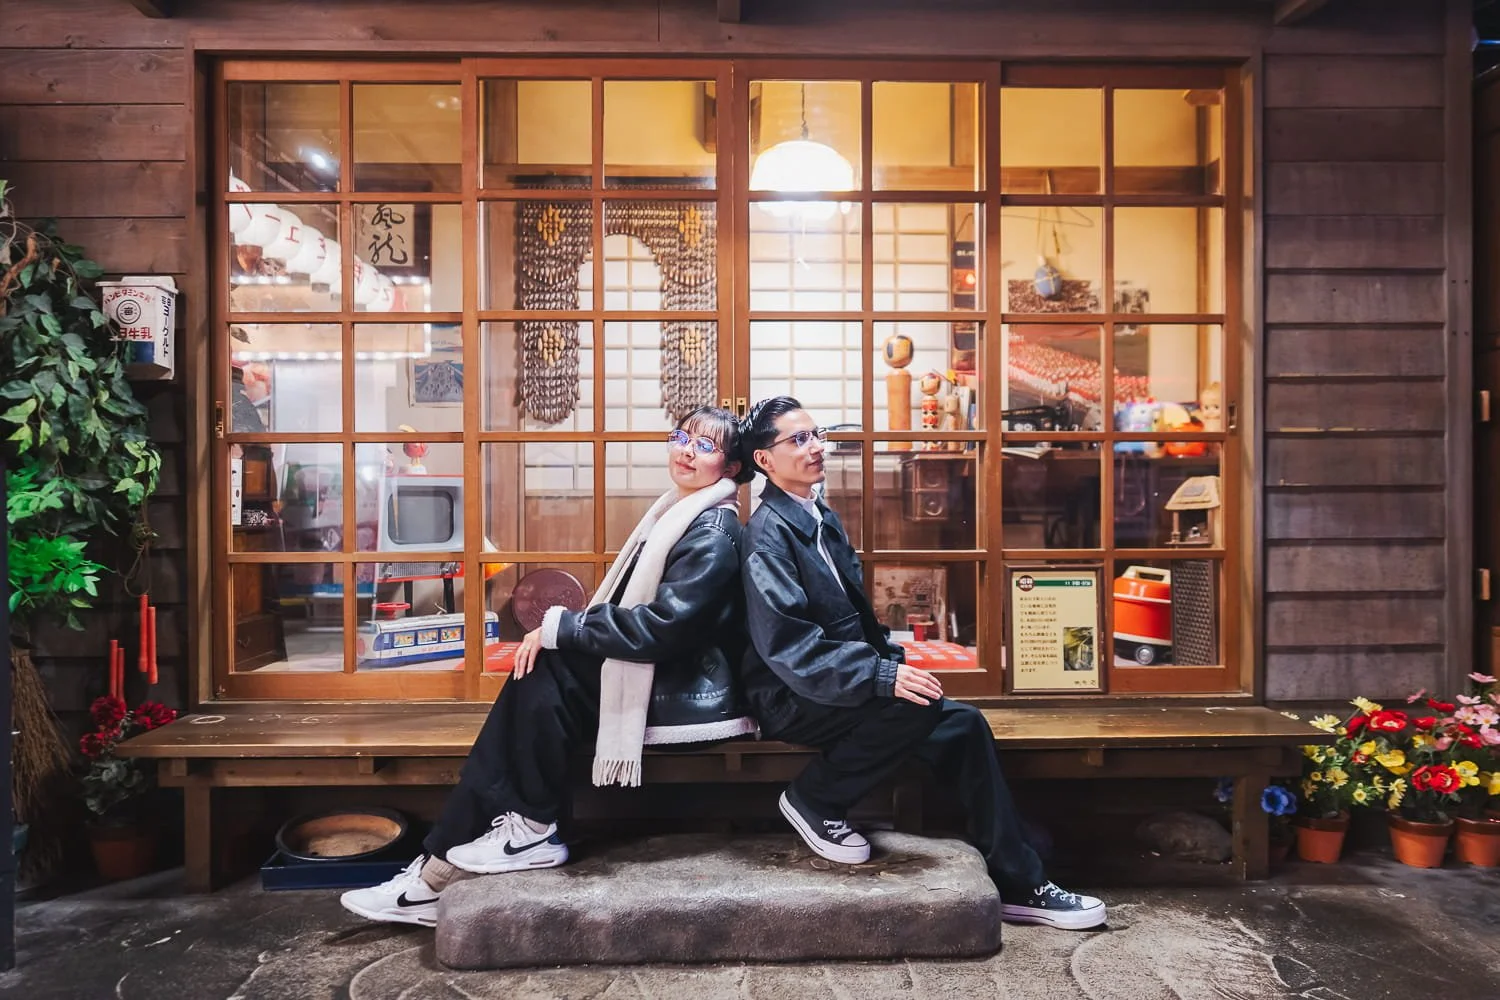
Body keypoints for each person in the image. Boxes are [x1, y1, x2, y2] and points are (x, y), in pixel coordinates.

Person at [341, 405, 758, 927]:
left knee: (540, 673)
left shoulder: (712, 530)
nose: (685, 451)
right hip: (668, 671)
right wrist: (564, 633)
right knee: (535, 675)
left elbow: (661, 629)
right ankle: (464, 857)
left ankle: (481, 852)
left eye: (705, 446)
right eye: (681, 437)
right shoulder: (684, 510)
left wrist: (565, 627)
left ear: (733, 468)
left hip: (691, 687)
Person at [736, 396, 1106, 931]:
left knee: (964, 723)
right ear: (765, 461)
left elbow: (856, 621)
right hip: (791, 695)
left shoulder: (818, 515)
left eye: (817, 434)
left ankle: (1020, 883)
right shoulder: (767, 537)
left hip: (836, 679)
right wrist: (884, 676)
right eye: (798, 439)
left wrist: (890, 662)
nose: (817, 447)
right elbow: (791, 650)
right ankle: (814, 797)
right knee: (916, 706)